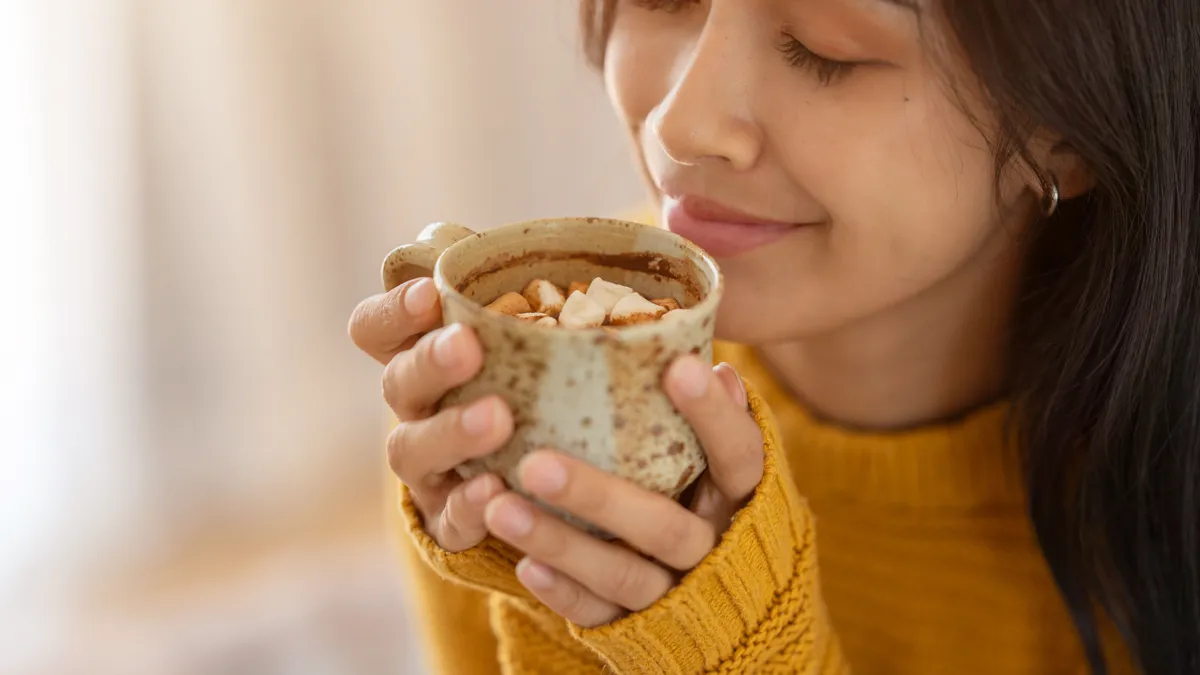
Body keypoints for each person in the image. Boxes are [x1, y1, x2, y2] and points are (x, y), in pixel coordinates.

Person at [349, 0, 1200, 673]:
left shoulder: (1156, 520)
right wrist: (548, 564)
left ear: (1070, 128)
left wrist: (730, 649)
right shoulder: (502, 399)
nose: (682, 123)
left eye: (827, 49)